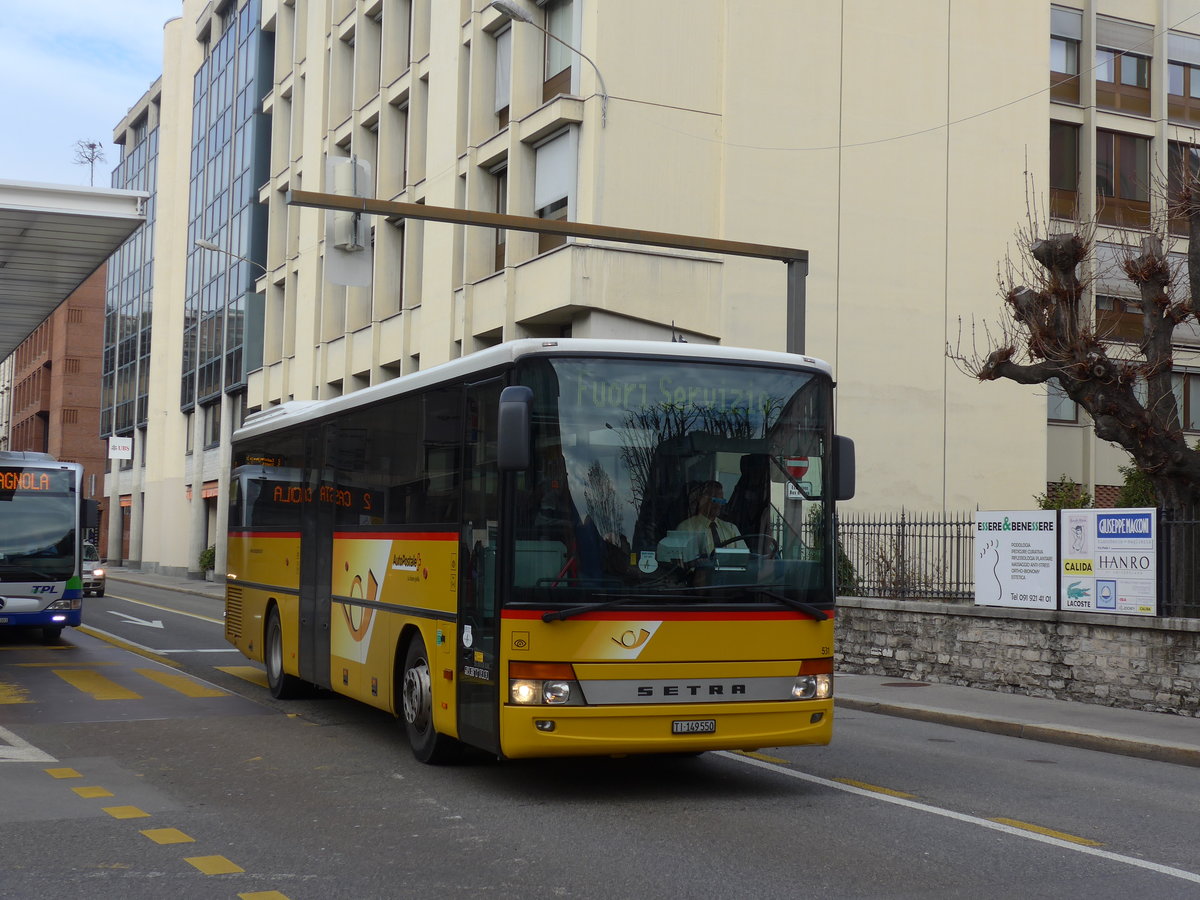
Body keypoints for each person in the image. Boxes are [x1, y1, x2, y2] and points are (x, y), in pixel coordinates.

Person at [676, 480, 746, 556]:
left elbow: (745, 559)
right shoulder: (685, 528)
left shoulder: (731, 529)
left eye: (721, 500)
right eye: (714, 499)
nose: (718, 505)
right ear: (701, 500)